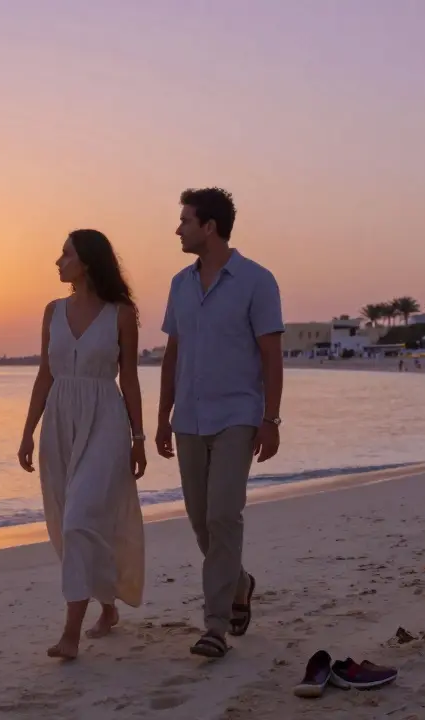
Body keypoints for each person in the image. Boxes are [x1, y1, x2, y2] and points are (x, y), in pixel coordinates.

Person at [155, 188, 285, 659]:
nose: (178, 229)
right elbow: (173, 355)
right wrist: (162, 417)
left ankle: (214, 626)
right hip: (188, 417)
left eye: (185, 221)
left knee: (223, 515)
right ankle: (240, 584)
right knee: (200, 521)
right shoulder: (179, 284)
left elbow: (271, 357)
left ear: (209, 227)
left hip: (237, 416)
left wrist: (270, 419)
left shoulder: (257, 281)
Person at [18, 229, 147, 660]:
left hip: (105, 420)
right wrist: (27, 431)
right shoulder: (52, 311)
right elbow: (44, 374)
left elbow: (128, 377)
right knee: (69, 522)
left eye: (66, 254)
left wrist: (139, 436)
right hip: (58, 421)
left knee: (79, 520)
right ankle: (107, 606)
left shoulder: (121, 313)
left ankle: (70, 634)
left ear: (87, 262)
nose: (58, 261)